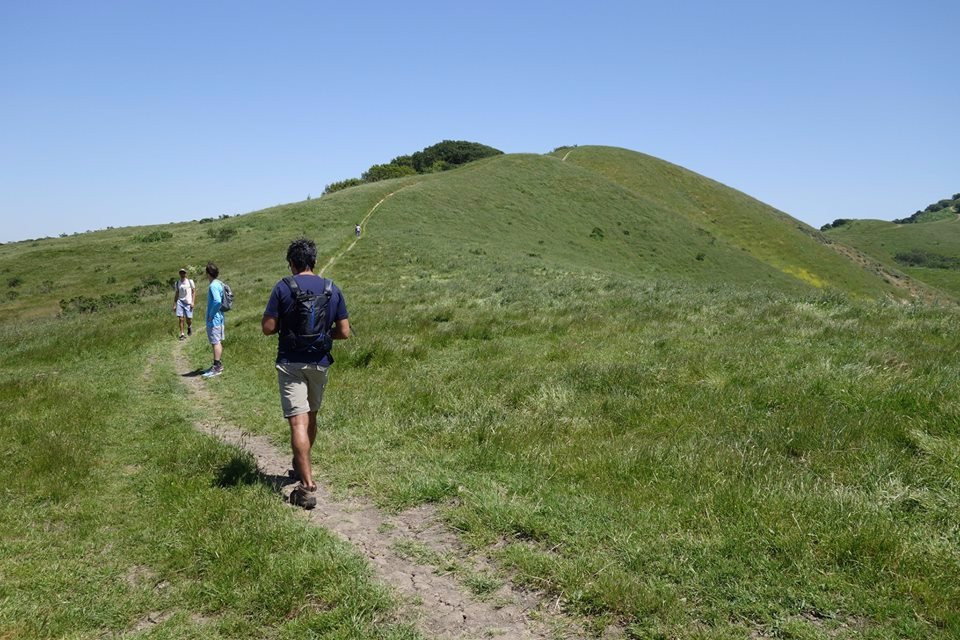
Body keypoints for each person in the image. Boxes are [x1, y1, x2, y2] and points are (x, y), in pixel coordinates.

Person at [261, 238, 350, 509]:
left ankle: (307, 484)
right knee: (310, 418)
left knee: (297, 423)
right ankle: (302, 466)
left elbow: (267, 328)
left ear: (292, 263)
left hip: (290, 362)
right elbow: (344, 332)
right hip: (320, 362)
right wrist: (323, 336)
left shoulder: (283, 287)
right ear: (314, 261)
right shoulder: (331, 288)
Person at [202, 262, 226, 378]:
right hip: (220, 318)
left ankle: (216, 367)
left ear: (208, 273)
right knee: (217, 341)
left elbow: (217, 301)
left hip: (215, 319)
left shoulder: (213, 286)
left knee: (215, 342)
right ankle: (218, 364)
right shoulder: (219, 283)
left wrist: (210, 315)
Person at [173, 268, 196, 340]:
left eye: (183, 273)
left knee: (188, 319)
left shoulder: (190, 281)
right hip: (180, 301)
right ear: (179, 274)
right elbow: (177, 293)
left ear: (185, 274)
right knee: (181, 318)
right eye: (181, 273)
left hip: (188, 302)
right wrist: (174, 304)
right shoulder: (177, 283)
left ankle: (189, 327)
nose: (182, 274)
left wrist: (192, 302)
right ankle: (182, 334)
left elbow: (194, 292)